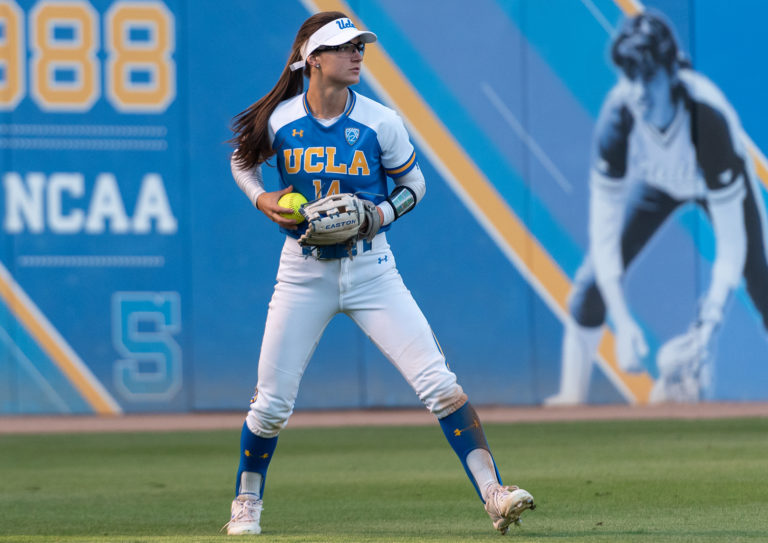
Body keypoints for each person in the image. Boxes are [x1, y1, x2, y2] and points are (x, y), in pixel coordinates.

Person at [224, 11, 535, 535]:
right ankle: (246, 503)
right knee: (272, 406)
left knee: (439, 384)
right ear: (312, 60)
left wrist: (379, 214)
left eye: (360, 46)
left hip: (373, 269)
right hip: (303, 272)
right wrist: (262, 198)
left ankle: (494, 494)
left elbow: (415, 185)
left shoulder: (380, 121)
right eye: (345, 47)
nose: (358, 54)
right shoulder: (279, 119)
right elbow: (242, 161)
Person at [546, 10, 768, 405]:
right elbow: (603, 233)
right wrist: (623, 322)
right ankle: (569, 402)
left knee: (762, 282)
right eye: (629, 76)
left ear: (671, 72)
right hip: (657, 184)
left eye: (647, 75)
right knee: (591, 286)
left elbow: (732, 245)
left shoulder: (708, 119)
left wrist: (708, 326)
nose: (638, 90)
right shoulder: (619, 117)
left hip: (710, 180)